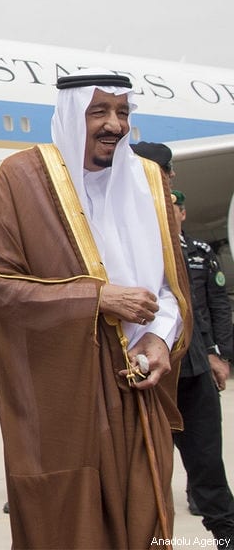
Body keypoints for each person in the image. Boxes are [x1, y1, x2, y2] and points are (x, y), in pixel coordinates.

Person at [0, 69, 190, 548]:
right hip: (61, 397)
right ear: (74, 117)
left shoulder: (149, 182)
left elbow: (170, 288)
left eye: (122, 112)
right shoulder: (23, 177)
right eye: (99, 112)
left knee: (147, 521)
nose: (114, 124)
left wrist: (159, 338)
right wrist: (97, 297)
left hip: (139, 390)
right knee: (68, 525)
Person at [170, 188, 234, 545]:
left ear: (182, 212)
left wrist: (219, 355)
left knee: (207, 457)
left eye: (175, 205)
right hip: (153, 370)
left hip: (196, 362)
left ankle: (225, 532)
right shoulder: (139, 250)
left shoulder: (199, 253)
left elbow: (215, 306)